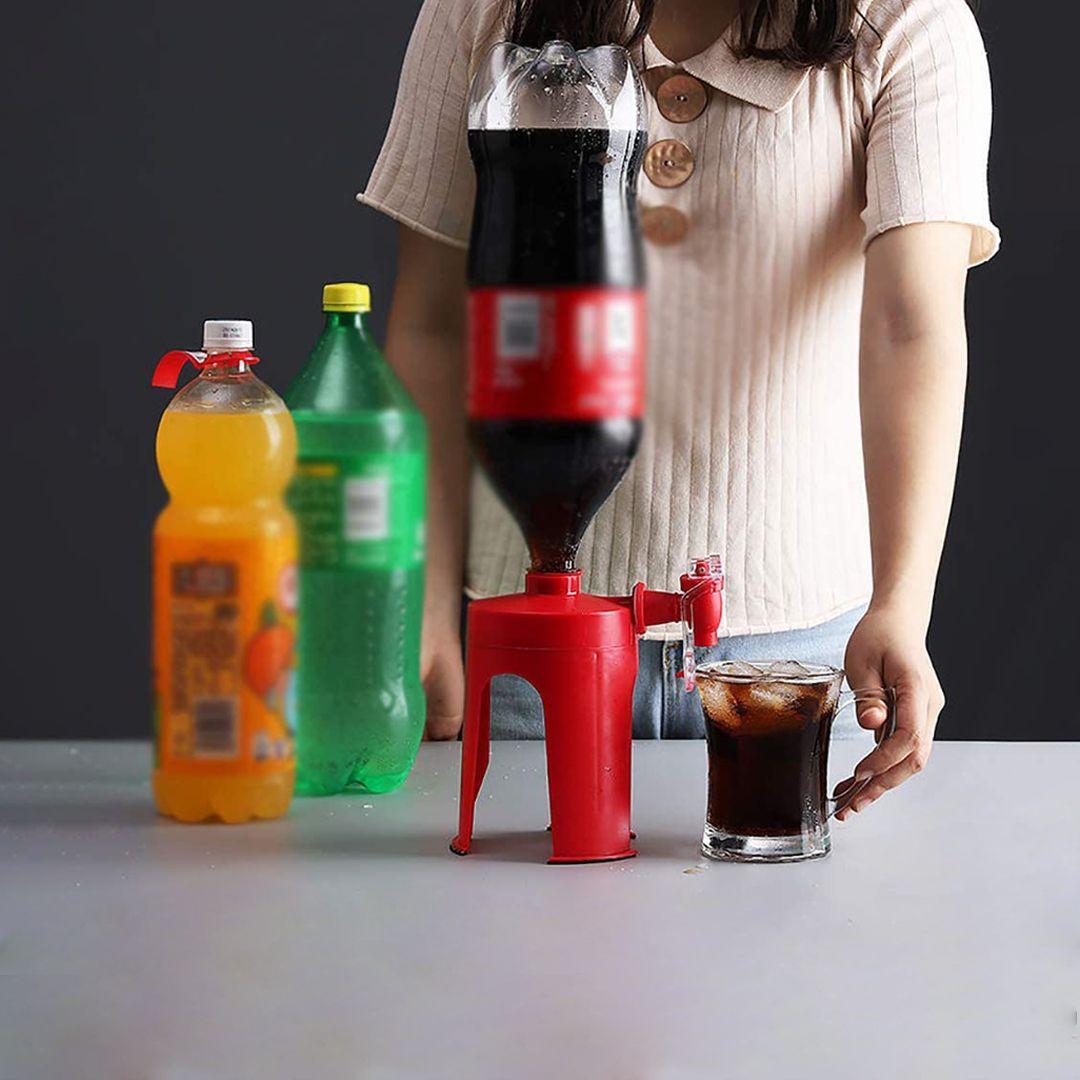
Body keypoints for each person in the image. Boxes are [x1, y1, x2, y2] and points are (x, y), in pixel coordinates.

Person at [358, 0, 999, 819]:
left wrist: (901, 607)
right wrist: (421, 610)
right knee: (506, 899)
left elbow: (911, 327)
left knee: (791, 900)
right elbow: (433, 326)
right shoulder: (480, 11)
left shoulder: (907, 21)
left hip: (795, 657)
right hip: (526, 637)